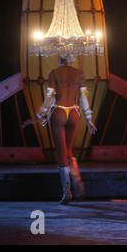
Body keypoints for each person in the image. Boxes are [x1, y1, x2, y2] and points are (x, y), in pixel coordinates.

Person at [23, 57, 97, 204]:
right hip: (74, 112)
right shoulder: (79, 73)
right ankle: (78, 181)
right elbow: (83, 97)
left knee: (62, 153)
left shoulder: (54, 72)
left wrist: (38, 117)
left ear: (59, 58)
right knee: (69, 152)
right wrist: (88, 118)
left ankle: (67, 192)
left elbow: (50, 98)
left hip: (59, 112)